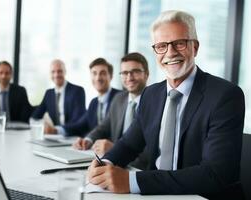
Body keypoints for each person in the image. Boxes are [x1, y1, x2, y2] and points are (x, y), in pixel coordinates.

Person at [87, 10, 245, 200]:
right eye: (161, 46)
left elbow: (215, 174)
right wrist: (104, 163)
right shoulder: (151, 94)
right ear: (155, 51)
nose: (170, 52)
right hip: (155, 195)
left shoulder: (225, 95)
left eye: (179, 43)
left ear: (194, 47)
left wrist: (131, 181)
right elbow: (129, 144)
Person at [74, 52, 149, 169]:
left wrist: (115, 149)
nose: (129, 77)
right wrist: (88, 139)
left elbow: (153, 150)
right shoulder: (119, 99)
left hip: (140, 169)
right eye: (124, 73)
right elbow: (104, 127)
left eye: (135, 71)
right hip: (114, 164)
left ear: (146, 74)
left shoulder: (155, 102)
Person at [45, 58, 120, 136]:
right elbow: (79, 126)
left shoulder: (120, 98)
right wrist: (55, 130)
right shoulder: (94, 103)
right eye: (94, 73)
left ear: (111, 76)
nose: (98, 78)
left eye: (103, 73)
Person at [31, 59, 86, 136]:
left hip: (73, 136)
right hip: (56, 137)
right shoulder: (49, 93)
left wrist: (56, 130)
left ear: (65, 72)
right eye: (53, 72)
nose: (56, 75)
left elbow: (77, 120)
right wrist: (42, 125)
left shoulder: (77, 91)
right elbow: (36, 115)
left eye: (59, 71)